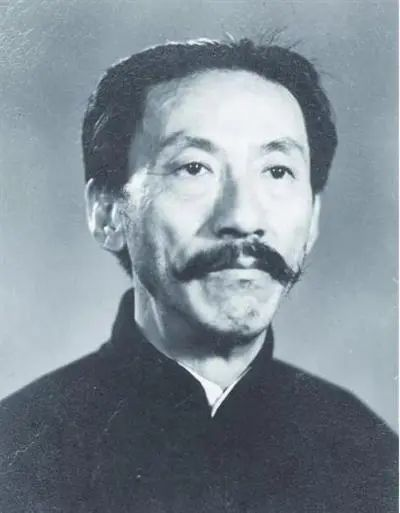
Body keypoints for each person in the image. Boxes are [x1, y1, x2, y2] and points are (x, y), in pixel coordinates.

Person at [0, 37, 397, 513]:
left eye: (277, 171)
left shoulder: (370, 458)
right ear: (108, 213)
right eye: (194, 168)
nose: (243, 217)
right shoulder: (18, 455)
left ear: (312, 219)